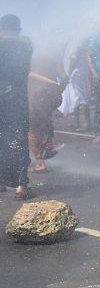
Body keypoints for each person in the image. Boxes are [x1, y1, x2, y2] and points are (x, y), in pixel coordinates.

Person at [0, 14, 33, 199]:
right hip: (18, 100)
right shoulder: (25, 45)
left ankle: (1, 181)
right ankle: (21, 185)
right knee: (19, 139)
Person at [27, 53, 63, 173]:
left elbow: (28, 73)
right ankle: (48, 146)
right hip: (43, 98)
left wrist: (52, 83)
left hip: (36, 100)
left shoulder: (32, 61)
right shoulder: (45, 58)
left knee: (31, 131)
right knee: (41, 125)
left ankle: (40, 162)